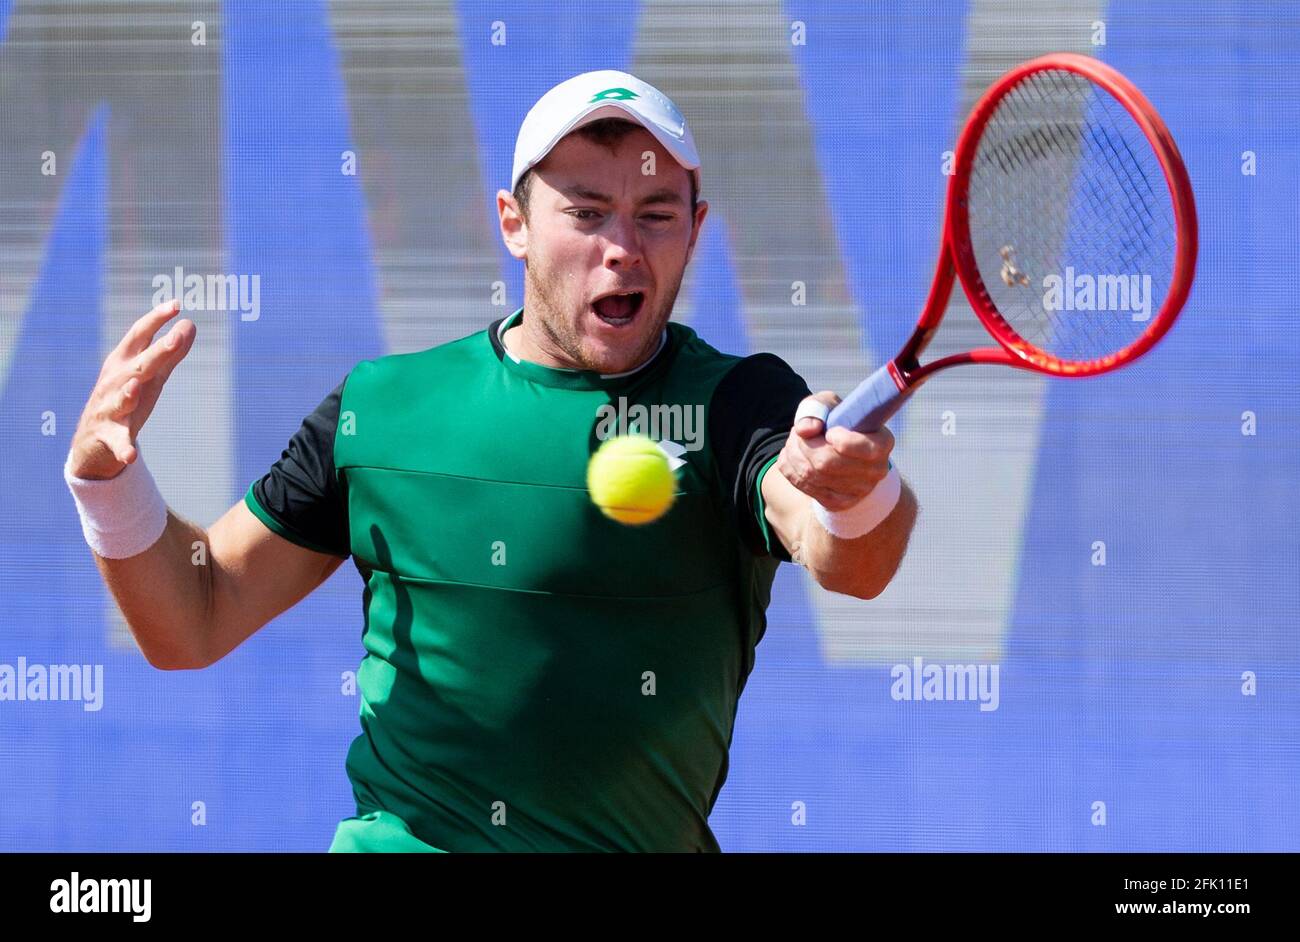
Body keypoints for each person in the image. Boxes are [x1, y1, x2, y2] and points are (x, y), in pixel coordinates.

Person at [64, 70, 918, 852]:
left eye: (656, 213)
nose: (622, 245)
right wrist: (109, 486)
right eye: (585, 212)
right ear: (513, 222)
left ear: (695, 229)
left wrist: (855, 492)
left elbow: (847, 556)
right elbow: (194, 617)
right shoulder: (381, 406)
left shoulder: (739, 404)